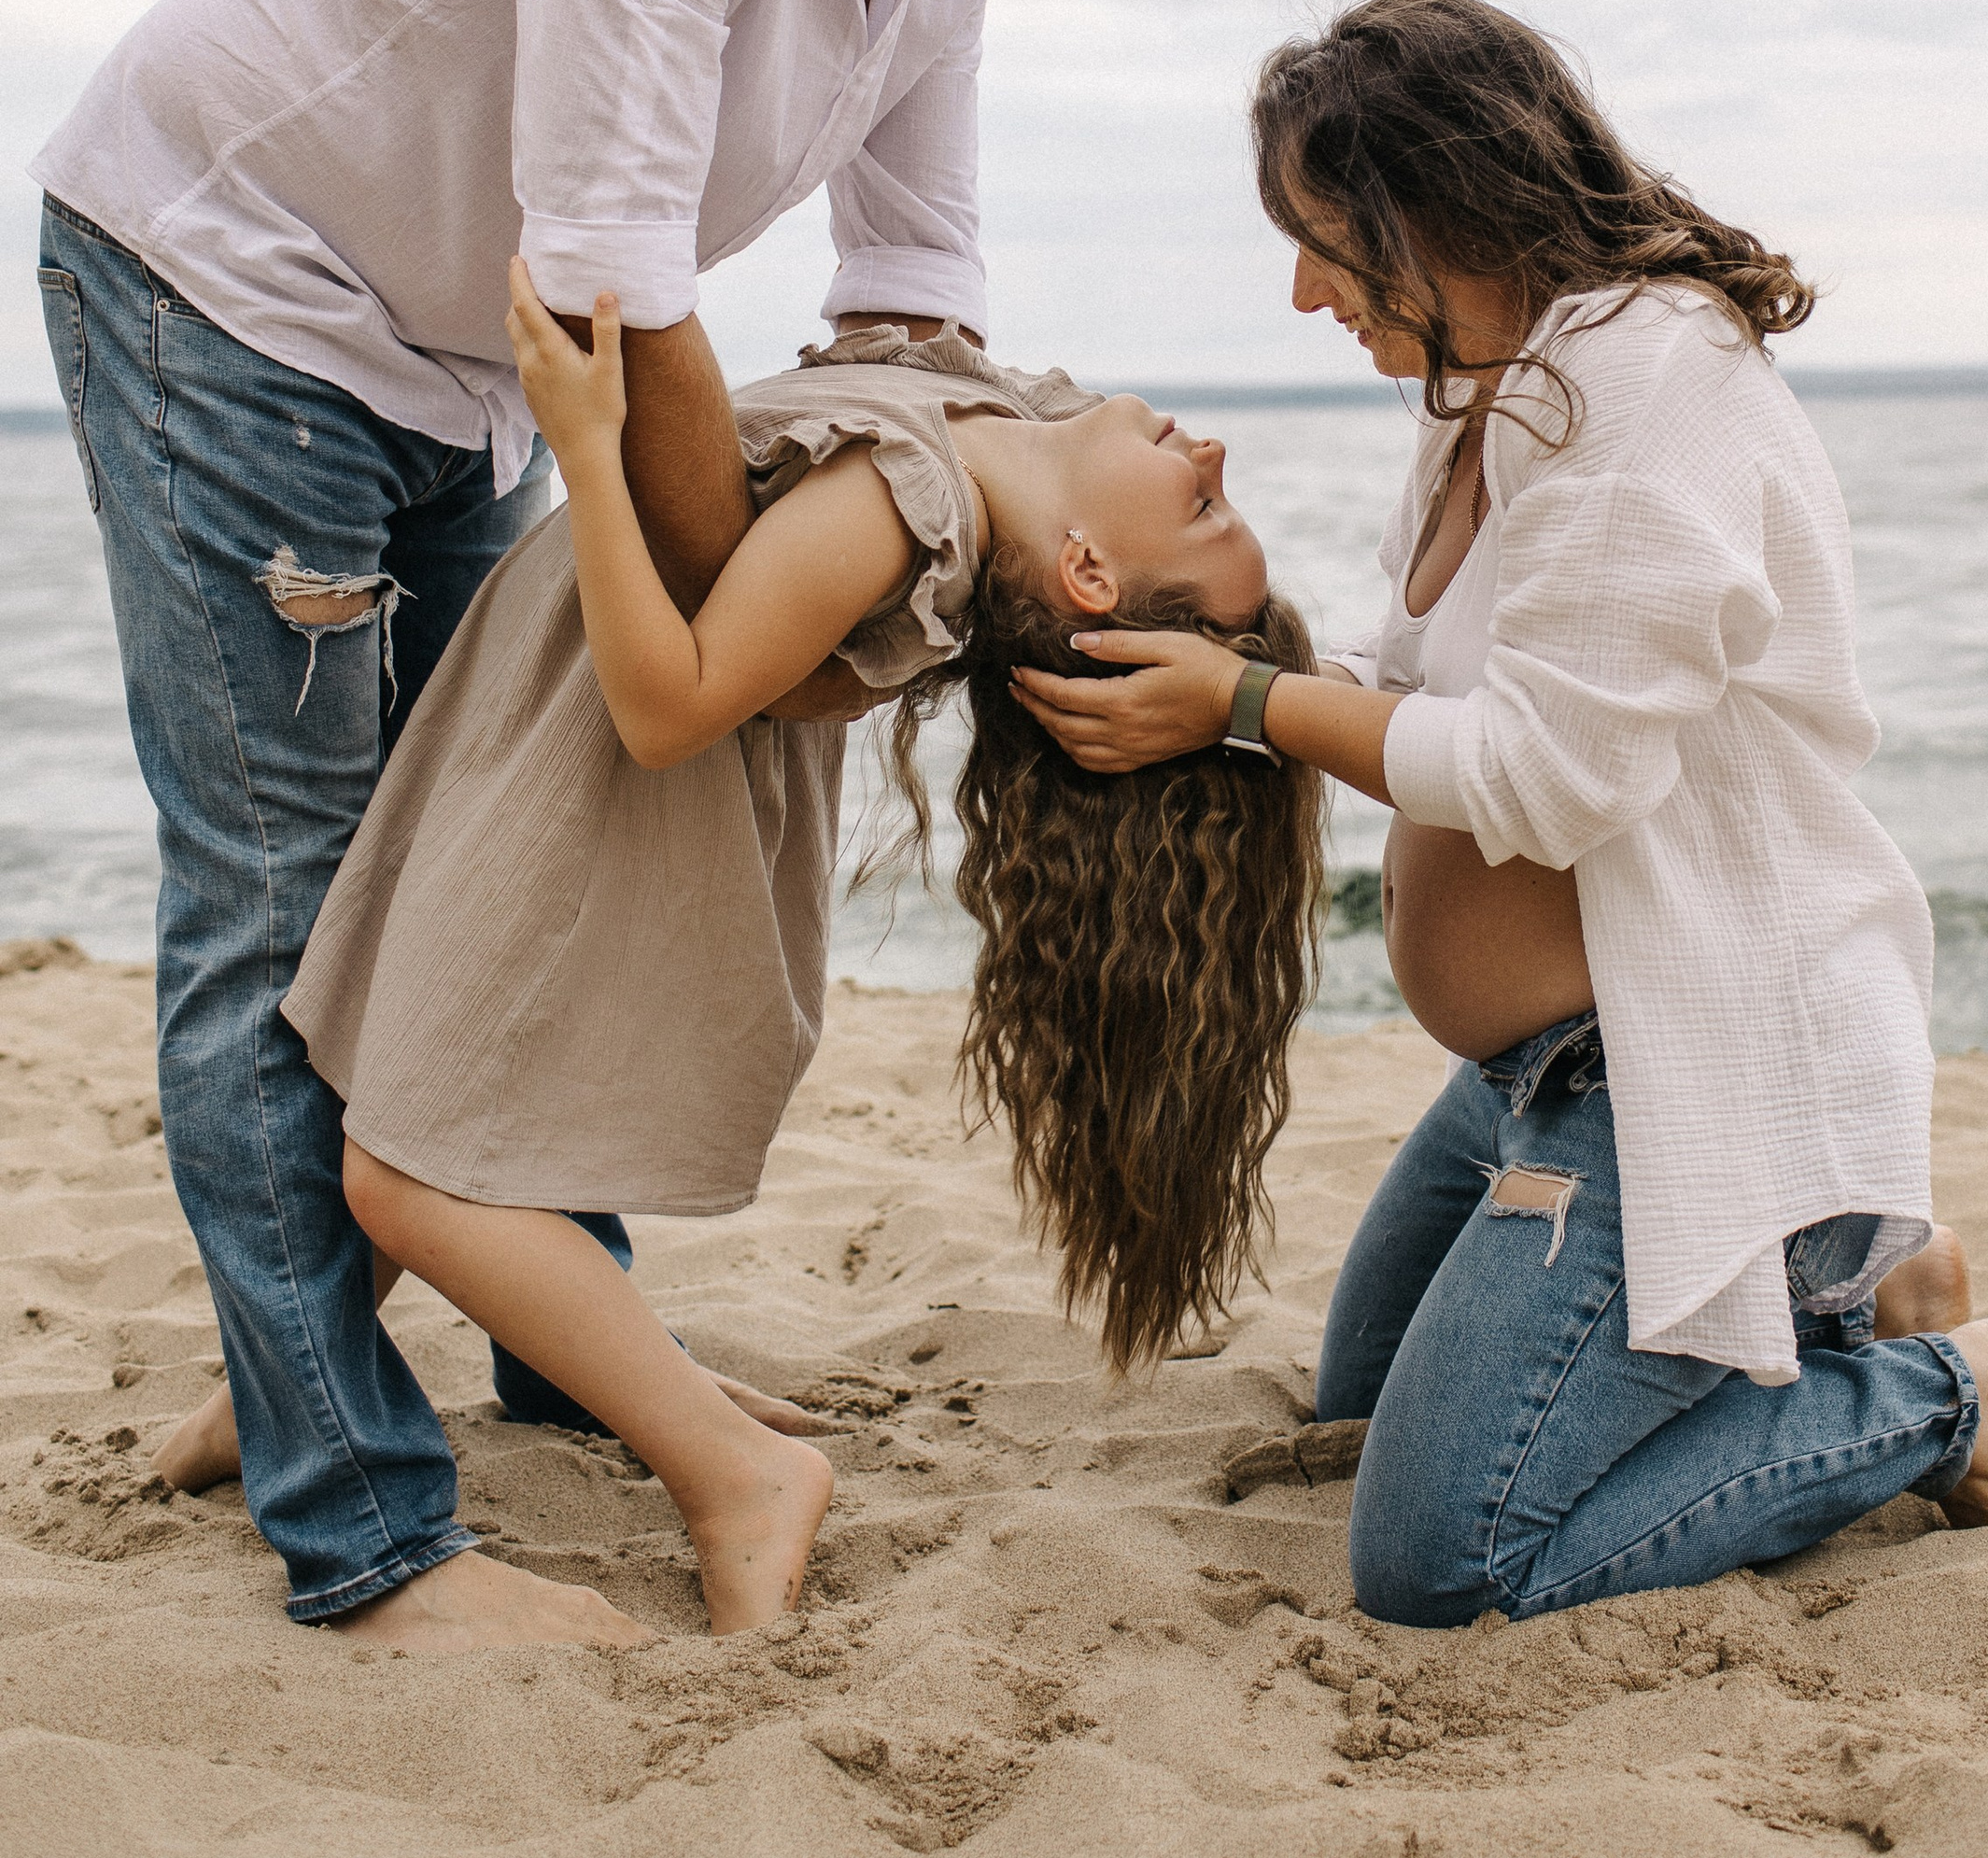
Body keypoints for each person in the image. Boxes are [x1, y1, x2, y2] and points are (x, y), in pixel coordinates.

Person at [32, 0, 1243, 1644]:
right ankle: (363, 1529)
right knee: (288, 903)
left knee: (481, 882)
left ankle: (531, 1359)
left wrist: (866, 584)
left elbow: (915, 297)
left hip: (467, 376)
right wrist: (755, 641)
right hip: (234, 290)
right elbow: (611, 274)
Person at [1015, 0, 1988, 1624]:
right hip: (1533, 1074)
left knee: (1448, 1552)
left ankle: (1951, 1398)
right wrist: (1206, 668)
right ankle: (1863, 1283)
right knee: (1363, 1402)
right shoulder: (1495, 380)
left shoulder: (1646, 393)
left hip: (1684, 1060)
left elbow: (1545, 776)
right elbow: (1432, 673)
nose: (1301, 292)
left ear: (1439, 204)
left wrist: (1243, 707)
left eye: (1323, 239)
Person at [274, 276, 1321, 1634]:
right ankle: (288, 1385)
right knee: (400, 1059)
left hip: (603, 779)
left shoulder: (915, 504)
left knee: (410, 1168)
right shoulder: (993, 416)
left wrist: (586, 449)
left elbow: (670, 712)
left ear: (1090, 570)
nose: (1214, 459)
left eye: (1204, 511)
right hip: (552, 729)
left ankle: (738, 1476)